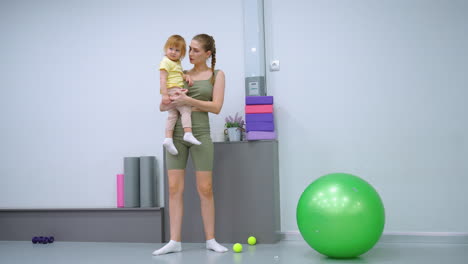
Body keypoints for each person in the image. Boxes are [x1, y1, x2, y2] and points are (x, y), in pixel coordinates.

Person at [153, 34, 227, 255]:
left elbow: (216, 107)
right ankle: (174, 241)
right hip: (176, 135)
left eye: (195, 50)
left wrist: (189, 102)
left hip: (201, 134)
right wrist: (168, 99)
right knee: (174, 188)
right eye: (190, 50)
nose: (190, 54)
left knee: (205, 188)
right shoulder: (180, 74)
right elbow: (162, 107)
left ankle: (211, 240)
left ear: (207, 54)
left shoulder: (217, 75)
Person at [160, 35, 201, 156]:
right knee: (186, 110)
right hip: (173, 90)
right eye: (171, 48)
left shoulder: (176, 63)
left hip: (174, 89)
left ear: (182, 53)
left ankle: (168, 139)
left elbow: (177, 74)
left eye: (177, 50)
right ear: (166, 48)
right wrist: (164, 95)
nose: (173, 52)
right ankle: (188, 133)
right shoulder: (166, 62)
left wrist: (186, 76)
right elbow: (162, 79)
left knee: (172, 115)